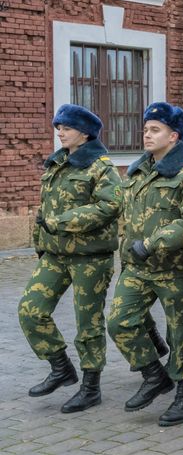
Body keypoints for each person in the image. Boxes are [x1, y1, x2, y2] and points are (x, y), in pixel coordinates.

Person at [107, 102, 183, 425]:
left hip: (178, 268)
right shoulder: (139, 171)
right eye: (146, 129)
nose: (147, 135)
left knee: (181, 332)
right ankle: (154, 375)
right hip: (138, 267)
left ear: (174, 136)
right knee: (119, 322)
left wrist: (151, 244)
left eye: (155, 130)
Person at [20, 104, 122, 412]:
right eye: (58, 128)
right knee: (30, 310)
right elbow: (44, 210)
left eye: (66, 128)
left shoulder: (101, 167)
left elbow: (109, 206)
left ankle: (91, 387)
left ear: (85, 133)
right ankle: (61, 367)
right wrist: (41, 242)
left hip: (90, 257)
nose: (60, 133)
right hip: (55, 254)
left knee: (88, 323)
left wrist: (61, 222)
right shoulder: (58, 163)